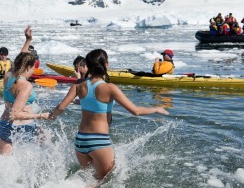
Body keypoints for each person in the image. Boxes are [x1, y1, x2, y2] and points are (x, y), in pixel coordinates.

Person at [47, 49, 169, 182]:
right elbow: (136, 111)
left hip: (80, 141)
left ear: (89, 65)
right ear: (106, 64)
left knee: (89, 179)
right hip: (98, 141)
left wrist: (51, 116)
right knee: (104, 181)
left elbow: (61, 107)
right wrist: (156, 109)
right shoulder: (110, 87)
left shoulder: (79, 85)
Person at [0, 25, 50, 155]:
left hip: (4, 126)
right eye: (33, 68)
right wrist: (41, 115)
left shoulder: (9, 74)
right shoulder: (25, 85)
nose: (33, 71)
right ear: (28, 67)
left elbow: (19, 60)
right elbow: (15, 114)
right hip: (22, 128)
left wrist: (28, 40)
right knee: (46, 140)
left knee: (4, 165)